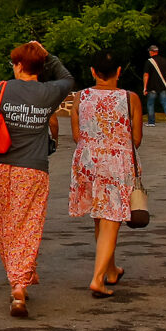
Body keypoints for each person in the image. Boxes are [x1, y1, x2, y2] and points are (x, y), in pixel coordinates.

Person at [0, 41, 73, 318]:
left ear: (19, 65)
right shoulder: (49, 92)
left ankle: (18, 279)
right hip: (32, 169)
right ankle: (20, 279)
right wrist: (49, 56)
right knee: (27, 224)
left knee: (1, 225)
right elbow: (68, 80)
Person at [68, 49, 143, 297]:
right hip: (116, 160)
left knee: (100, 216)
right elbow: (137, 139)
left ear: (93, 72)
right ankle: (98, 278)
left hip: (87, 159)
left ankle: (111, 270)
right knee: (112, 219)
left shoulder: (81, 97)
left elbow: (77, 135)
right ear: (119, 72)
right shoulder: (129, 98)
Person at [141, 45, 166, 128]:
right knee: (165, 102)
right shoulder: (165, 61)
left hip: (152, 86)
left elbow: (146, 75)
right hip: (163, 86)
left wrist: (145, 87)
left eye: (149, 51)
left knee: (150, 104)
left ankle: (151, 122)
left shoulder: (149, 61)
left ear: (152, 52)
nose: (149, 52)